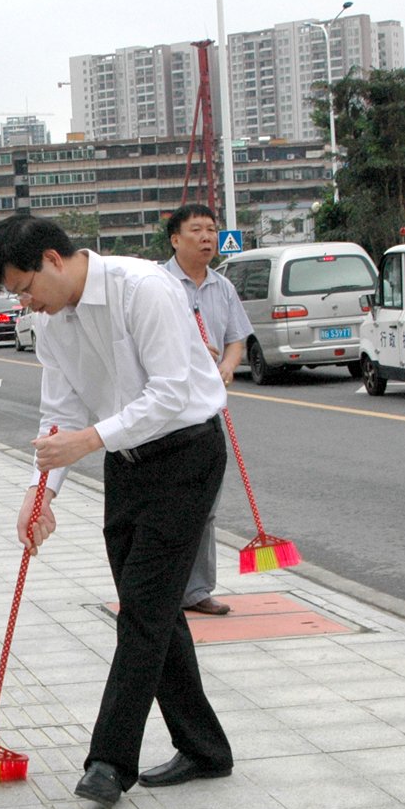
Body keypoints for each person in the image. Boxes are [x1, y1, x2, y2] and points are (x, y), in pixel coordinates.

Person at [0, 215, 234, 807]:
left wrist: (89, 440)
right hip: (126, 463)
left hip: (187, 454)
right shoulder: (51, 325)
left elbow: (170, 393)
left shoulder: (143, 288)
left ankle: (108, 762)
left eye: (24, 288)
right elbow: (60, 411)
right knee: (154, 607)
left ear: (52, 259)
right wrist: (40, 492)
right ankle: (205, 748)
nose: (24, 303)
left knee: (143, 613)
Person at [164, 203, 251, 617]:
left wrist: (229, 366)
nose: (206, 238)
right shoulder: (157, 284)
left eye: (212, 230)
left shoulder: (223, 288)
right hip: (164, 412)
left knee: (206, 504)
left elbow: (236, 337)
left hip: (206, 409)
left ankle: (197, 590)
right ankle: (167, 587)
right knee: (168, 505)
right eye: (196, 230)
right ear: (175, 239)